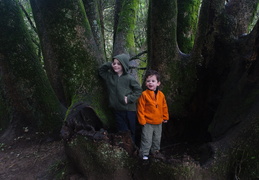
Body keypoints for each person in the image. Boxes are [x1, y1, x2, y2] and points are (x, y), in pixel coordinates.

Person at [99, 53, 142, 142]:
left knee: (131, 131)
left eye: (119, 64)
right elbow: (101, 71)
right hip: (117, 110)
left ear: (124, 65)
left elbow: (138, 90)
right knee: (122, 131)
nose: (115, 66)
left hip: (129, 110)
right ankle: (125, 149)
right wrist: (109, 65)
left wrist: (129, 98)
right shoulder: (110, 76)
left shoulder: (129, 78)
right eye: (114, 63)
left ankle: (133, 149)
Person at [137, 70, 169, 160]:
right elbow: (140, 108)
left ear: (158, 83)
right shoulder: (144, 95)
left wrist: (165, 117)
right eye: (148, 81)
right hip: (147, 122)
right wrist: (142, 120)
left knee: (157, 138)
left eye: (153, 81)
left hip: (159, 122)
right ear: (145, 83)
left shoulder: (161, 95)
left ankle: (155, 152)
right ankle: (144, 154)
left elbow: (164, 106)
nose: (150, 83)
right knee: (146, 138)